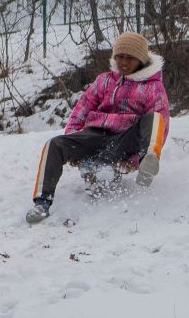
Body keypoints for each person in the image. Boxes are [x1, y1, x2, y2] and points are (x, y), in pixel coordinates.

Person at [26, 31, 171, 225]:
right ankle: (42, 202)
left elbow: (162, 126)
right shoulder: (105, 80)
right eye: (120, 57)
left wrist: (135, 161)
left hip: (125, 139)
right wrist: (74, 140)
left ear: (141, 60)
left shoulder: (153, 87)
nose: (124, 62)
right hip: (94, 135)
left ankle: (148, 161)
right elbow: (82, 109)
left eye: (130, 58)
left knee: (155, 118)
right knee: (55, 144)